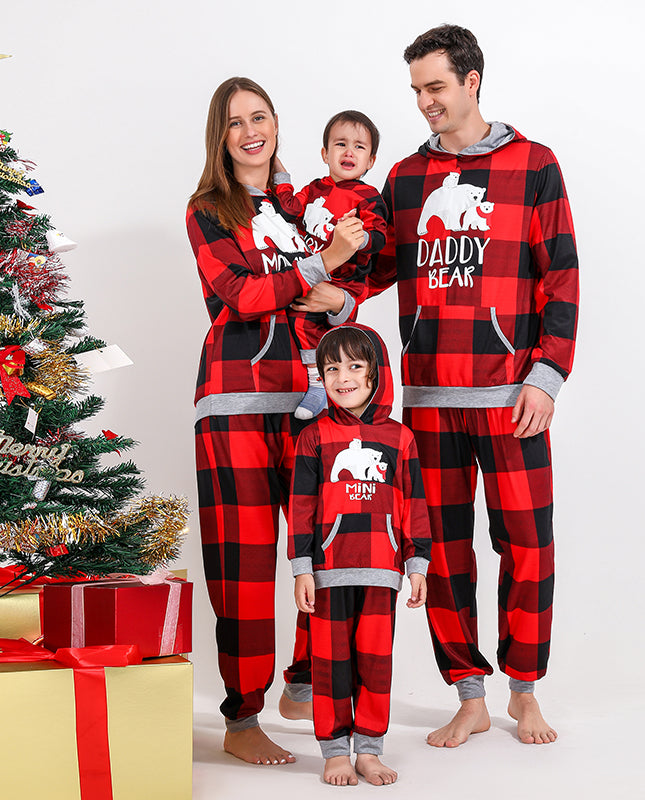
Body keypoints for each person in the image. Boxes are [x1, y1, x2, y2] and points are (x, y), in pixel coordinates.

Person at [367, 25, 579, 748]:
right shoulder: (403, 178)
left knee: (528, 545)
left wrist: (547, 376)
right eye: (417, 90)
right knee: (444, 549)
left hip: (512, 397)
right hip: (428, 403)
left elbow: (562, 278)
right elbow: (373, 272)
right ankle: (469, 693)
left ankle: (526, 692)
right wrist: (320, 272)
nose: (426, 102)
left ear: (472, 81)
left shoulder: (535, 165)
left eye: (436, 86)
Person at [187, 76, 365, 766]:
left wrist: (329, 291)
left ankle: (300, 678)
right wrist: (318, 274)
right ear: (221, 137)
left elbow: (346, 297)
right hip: (234, 405)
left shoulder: (304, 204)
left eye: (259, 117)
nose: (250, 131)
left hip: (313, 399)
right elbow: (237, 293)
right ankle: (241, 717)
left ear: (276, 122)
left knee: (324, 549)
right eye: (235, 123)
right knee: (244, 565)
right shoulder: (208, 208)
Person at [288, 324, 431, 785]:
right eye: (332, 367)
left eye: (355, 365)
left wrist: (416, 564)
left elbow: (413, 503)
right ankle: (334, 751)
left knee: (374, 663)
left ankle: (369, 749)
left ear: (375, 375)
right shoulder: (314, 437)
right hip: (329, 570)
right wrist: (302, 568)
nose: (343, 376)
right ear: (321, 377)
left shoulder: (401, 438)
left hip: (381, 571)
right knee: (331, 666)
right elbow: (302, 506)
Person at [274, 110, 388, 421]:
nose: (349, 151)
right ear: (325, 153)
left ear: (371, 161)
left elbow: (379, 237)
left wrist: (358, 238)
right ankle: (315, 382)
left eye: (359, 147)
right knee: (297, 323)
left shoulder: (368, 197)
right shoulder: (314, 189)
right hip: (312, 272)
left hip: (344, 281)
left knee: (327, 334)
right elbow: (289, 209)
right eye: (340, 144)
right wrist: (279, 174)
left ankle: (319, 385)